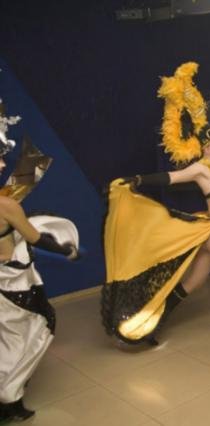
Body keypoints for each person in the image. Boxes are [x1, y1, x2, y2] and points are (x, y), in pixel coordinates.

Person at [101, 62, 210, 345]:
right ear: (205, 147)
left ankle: (150, 324)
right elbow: (170, 178)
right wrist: (137, 179)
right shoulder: (200, 169)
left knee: (193, 283)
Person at [0, 123, 80, 422]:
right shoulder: (6, 205)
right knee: (40, 325)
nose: (3, 164)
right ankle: (10, 396)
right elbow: (35, 238)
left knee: (8, 338)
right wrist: (65, 249)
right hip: (13, 284)